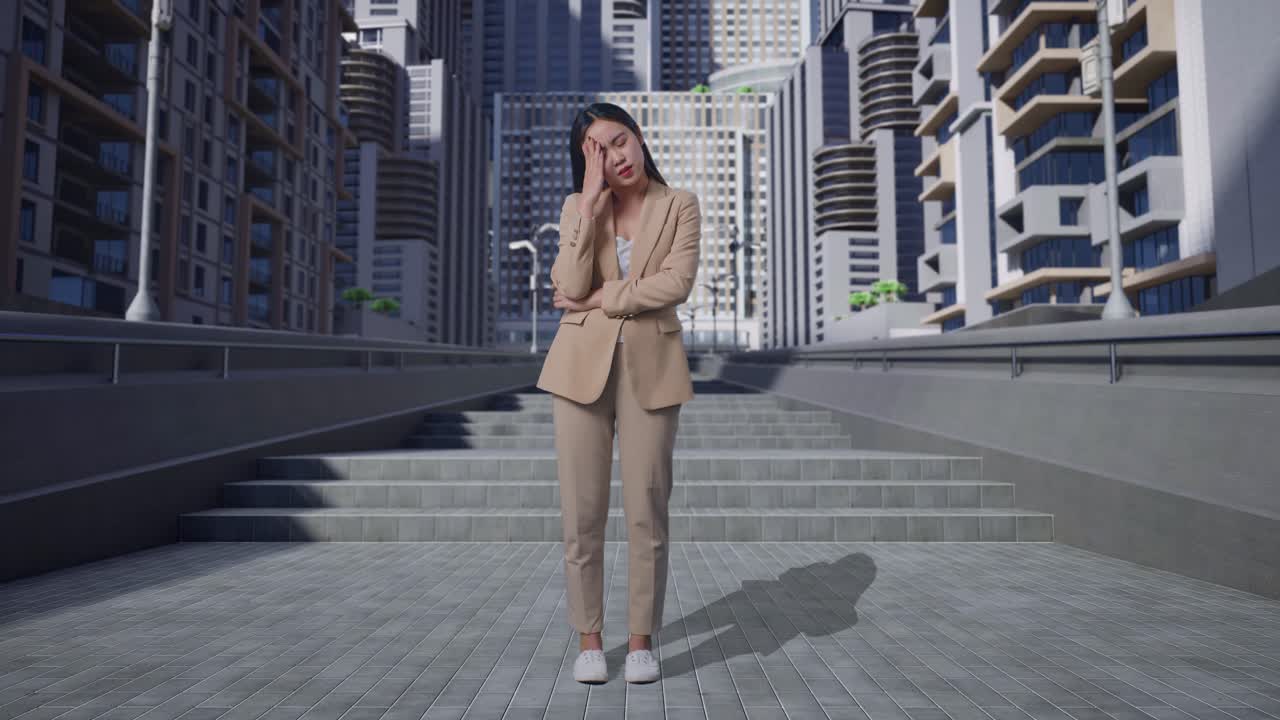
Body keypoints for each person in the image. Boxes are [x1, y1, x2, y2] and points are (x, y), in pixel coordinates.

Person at [534, 102, 701, 684]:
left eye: (621, 140)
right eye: (598, 150)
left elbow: (676, 283)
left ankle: (639, 643)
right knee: (581, 514)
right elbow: (567, 285)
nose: (616, 156)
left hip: (652, 370)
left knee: (646, 514)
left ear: (639, 138)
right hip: (579, 368)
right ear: (587, 160)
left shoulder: (678, 204)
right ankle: (588, 640)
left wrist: (603, 299)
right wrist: (587, 201)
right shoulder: (577, 209)